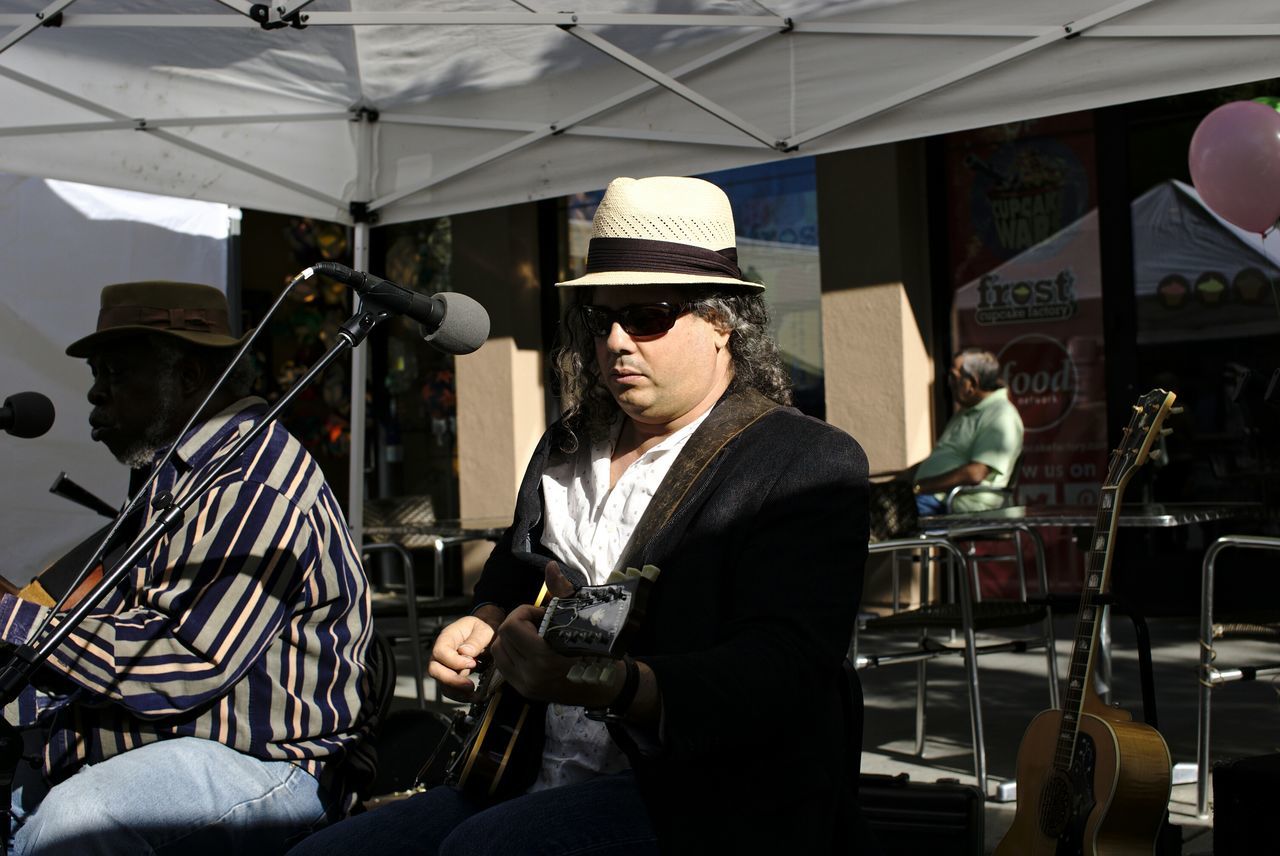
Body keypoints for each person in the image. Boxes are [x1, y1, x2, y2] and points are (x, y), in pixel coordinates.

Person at [289, 175, 870, 855]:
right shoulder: (565, 445)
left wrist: (606, 682)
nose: (618, 342)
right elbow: (513, 574)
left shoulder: (805, 462)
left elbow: (785, 672)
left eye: (648, 317)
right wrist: (480, 626)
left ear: (722, 323)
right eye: (601, 320)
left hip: (699, 800)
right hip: (519, 773)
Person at [0, 282, 373, 855]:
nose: (96, 395)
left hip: (272, 768)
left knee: (82, 818)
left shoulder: (250, 481)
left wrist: (13, 622)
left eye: (117, 374)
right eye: (96, 375)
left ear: (191, 378)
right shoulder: (176, 476)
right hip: (165, 746)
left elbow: (184, 660)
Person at [910, 348, 1024, 515]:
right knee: (872, 501)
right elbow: (947, 455)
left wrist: (920, 487)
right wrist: (905, 477)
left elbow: (976, 473)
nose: (949, 383)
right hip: (935, 496)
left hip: (961, 503)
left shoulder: (1001, 415)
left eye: (954, 377)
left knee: (878, 514)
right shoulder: (968, 411)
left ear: (972, 383)